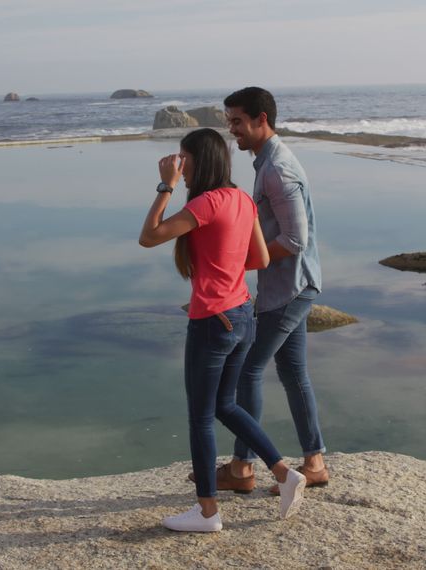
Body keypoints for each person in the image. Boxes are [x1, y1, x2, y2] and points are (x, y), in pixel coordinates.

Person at [138, 128, 306, 533]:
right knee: (225, 405)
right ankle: (283, 472)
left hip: (212, 320)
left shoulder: (207, 203)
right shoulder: (241, 199)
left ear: (200, 161)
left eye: (184, 159)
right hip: (242, 315)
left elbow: (149, 237)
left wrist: (165, 185)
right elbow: (261, 258)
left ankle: (208, 511)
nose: (180, 165)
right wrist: (225, 265)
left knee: (201, 417)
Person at [214, 86, 328, 494]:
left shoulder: (277, 169)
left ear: (262, 119)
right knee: (293, 371)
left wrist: (236, 263)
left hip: (291, 287)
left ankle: (243, 467)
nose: (232, 130)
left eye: (238, 121)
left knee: (247, 370)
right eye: (229, 122)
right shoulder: (267, 163)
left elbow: (294, 239)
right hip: (291, 285)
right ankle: (314, 461)